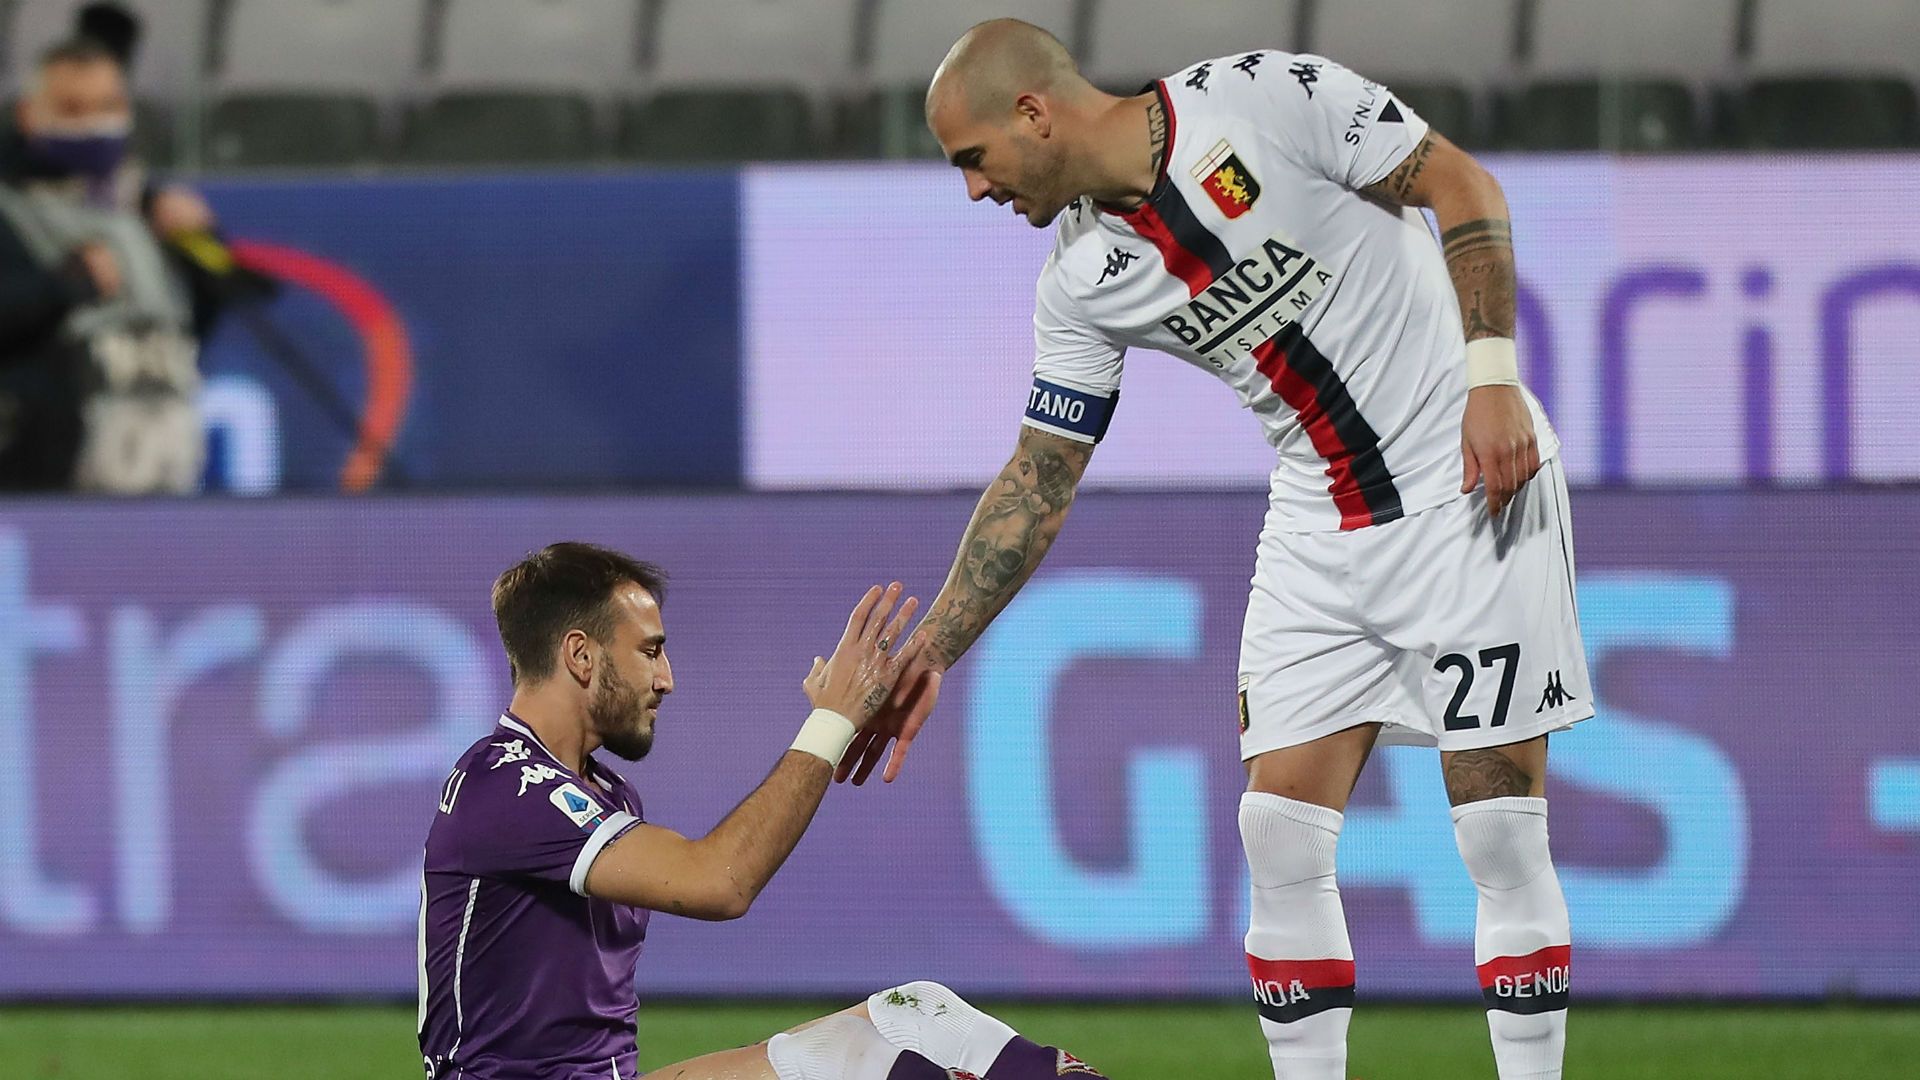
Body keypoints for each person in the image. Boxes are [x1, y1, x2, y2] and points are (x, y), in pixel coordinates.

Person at [842, 21, 1594, 1080]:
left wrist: (1492, 378)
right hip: (1316, 522)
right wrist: (930, 651)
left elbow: (1463, 188)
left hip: (1465, 482)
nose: (974, 192)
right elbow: (1039, 480)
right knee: (1277, 835)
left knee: (1498, 835)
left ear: (1034, 113)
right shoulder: (1080, 282)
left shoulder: (1261, 98)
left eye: (972, 159)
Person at [419, 542, 1109, 1080]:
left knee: (920, 1012)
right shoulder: (506, 784)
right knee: (857, 1061)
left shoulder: (596, 792)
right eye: (650, 651)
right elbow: (719, 881)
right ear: (580, 655)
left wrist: (832, 723)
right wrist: (831, 723)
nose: (667, 678)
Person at [0, 35, 213, 492]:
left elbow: (194, 322)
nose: (94, 125)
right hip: (44, 479)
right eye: (73, 110)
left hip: (163, 464)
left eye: (108, 105)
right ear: (27, 115)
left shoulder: (144, 205)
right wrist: (67, 285)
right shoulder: (10, 207)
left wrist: (202, 249)